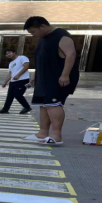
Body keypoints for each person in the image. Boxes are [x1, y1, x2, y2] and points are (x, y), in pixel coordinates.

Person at [23, 16, 80, 145]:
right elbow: (42, 58)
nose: (33, 35)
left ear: (43, 26)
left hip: (58, 77)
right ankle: (42, 133)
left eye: (33, 32)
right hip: (44, 77)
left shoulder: (62, 36)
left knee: (53, 104)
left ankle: (56, 136)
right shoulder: (43, 39)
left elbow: (70, 54)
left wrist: (65, 75)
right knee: (43, 105)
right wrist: (35, 74)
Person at [0, 48, 32, 115]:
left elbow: (26, 67)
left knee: (17, 94)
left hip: (23, 80)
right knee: (10, 96)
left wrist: (18, 75)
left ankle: (27, 107)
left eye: (9, 52)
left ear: (14, 52)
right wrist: (5, 82)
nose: (8, 54)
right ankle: (5, 109)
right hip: (13, 81)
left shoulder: (22, 58)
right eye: (6, 54)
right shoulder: (11, 63)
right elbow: (10, 73)